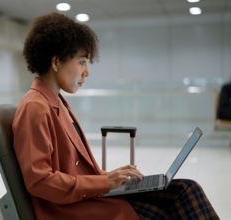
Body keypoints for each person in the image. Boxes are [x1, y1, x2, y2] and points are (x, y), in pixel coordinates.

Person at [12, 12, 219, 220]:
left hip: (86, 198)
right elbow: (39, 181)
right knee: (166, 210)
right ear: (56, 62)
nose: (87, 72)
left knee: (185, 189)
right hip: (70, 209)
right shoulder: (35, 107)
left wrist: (112, 176)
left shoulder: (57, 101)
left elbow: (76, 171)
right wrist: (105, 182)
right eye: (82, 61)